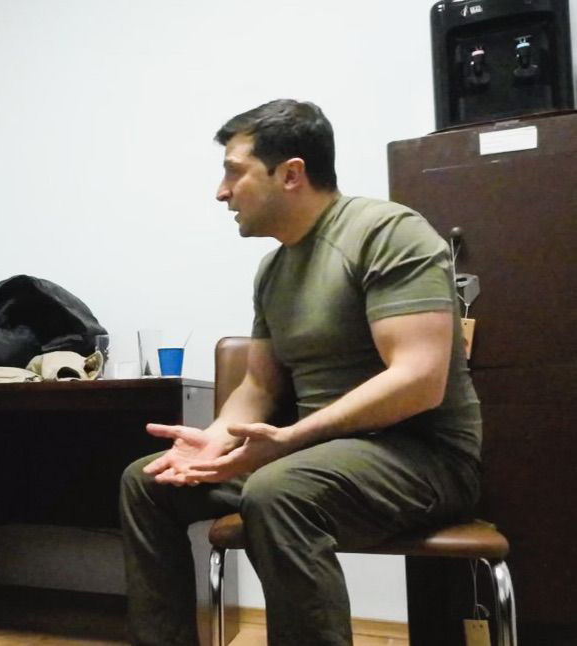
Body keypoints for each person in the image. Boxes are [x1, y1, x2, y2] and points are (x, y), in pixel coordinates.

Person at [120, 99, 481, 646]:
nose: (221, 192)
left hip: (422, 457)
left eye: (233, 172)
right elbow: (259, 385)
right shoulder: (273, 269)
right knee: (149, 482)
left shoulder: (388, 232)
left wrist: (291, 439)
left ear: (291, 174)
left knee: (278, 490)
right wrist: (214, 440)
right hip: (312, 455)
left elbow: (418, 380)